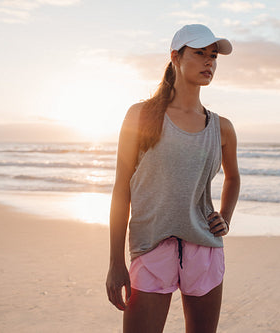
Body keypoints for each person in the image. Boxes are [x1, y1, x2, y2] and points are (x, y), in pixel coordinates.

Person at [105, 24, 240, 333]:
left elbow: (233, 178)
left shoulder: (222, 128)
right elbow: (121, 189)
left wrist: (225, 217)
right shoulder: (140, 115)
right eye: (200, 53)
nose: (209, 62)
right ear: (176, 57)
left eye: (214, 56)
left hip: (204, 248)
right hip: (151, 247)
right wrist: (115, 262)